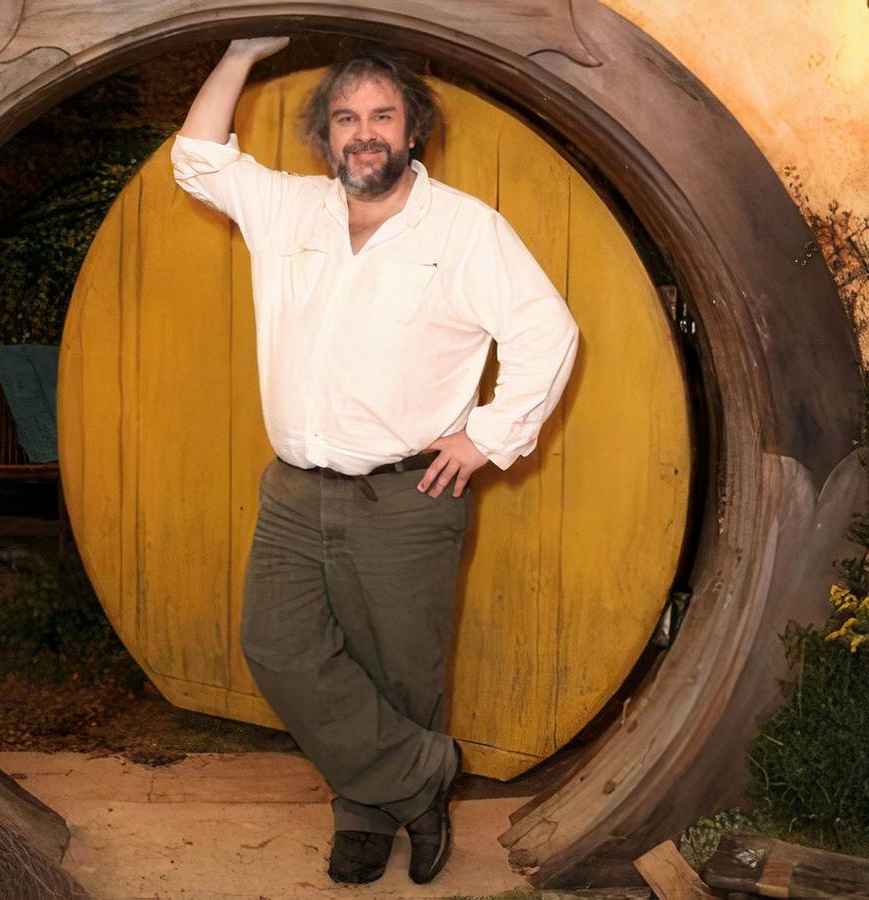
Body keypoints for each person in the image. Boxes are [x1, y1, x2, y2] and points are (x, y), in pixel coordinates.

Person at [171, 37, 579, 886]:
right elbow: (198, 157)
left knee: (399, 672)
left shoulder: (464, 228)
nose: (365, 133)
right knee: (276, 649)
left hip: (408, 496)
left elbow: (548, 330)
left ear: (412, 129)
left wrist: (489, 437)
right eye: (347, 118)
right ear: (325, 134)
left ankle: (364, 818)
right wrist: (240, 52)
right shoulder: (289, 209)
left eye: (382, 116)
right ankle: (424, 776)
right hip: (294, 491)